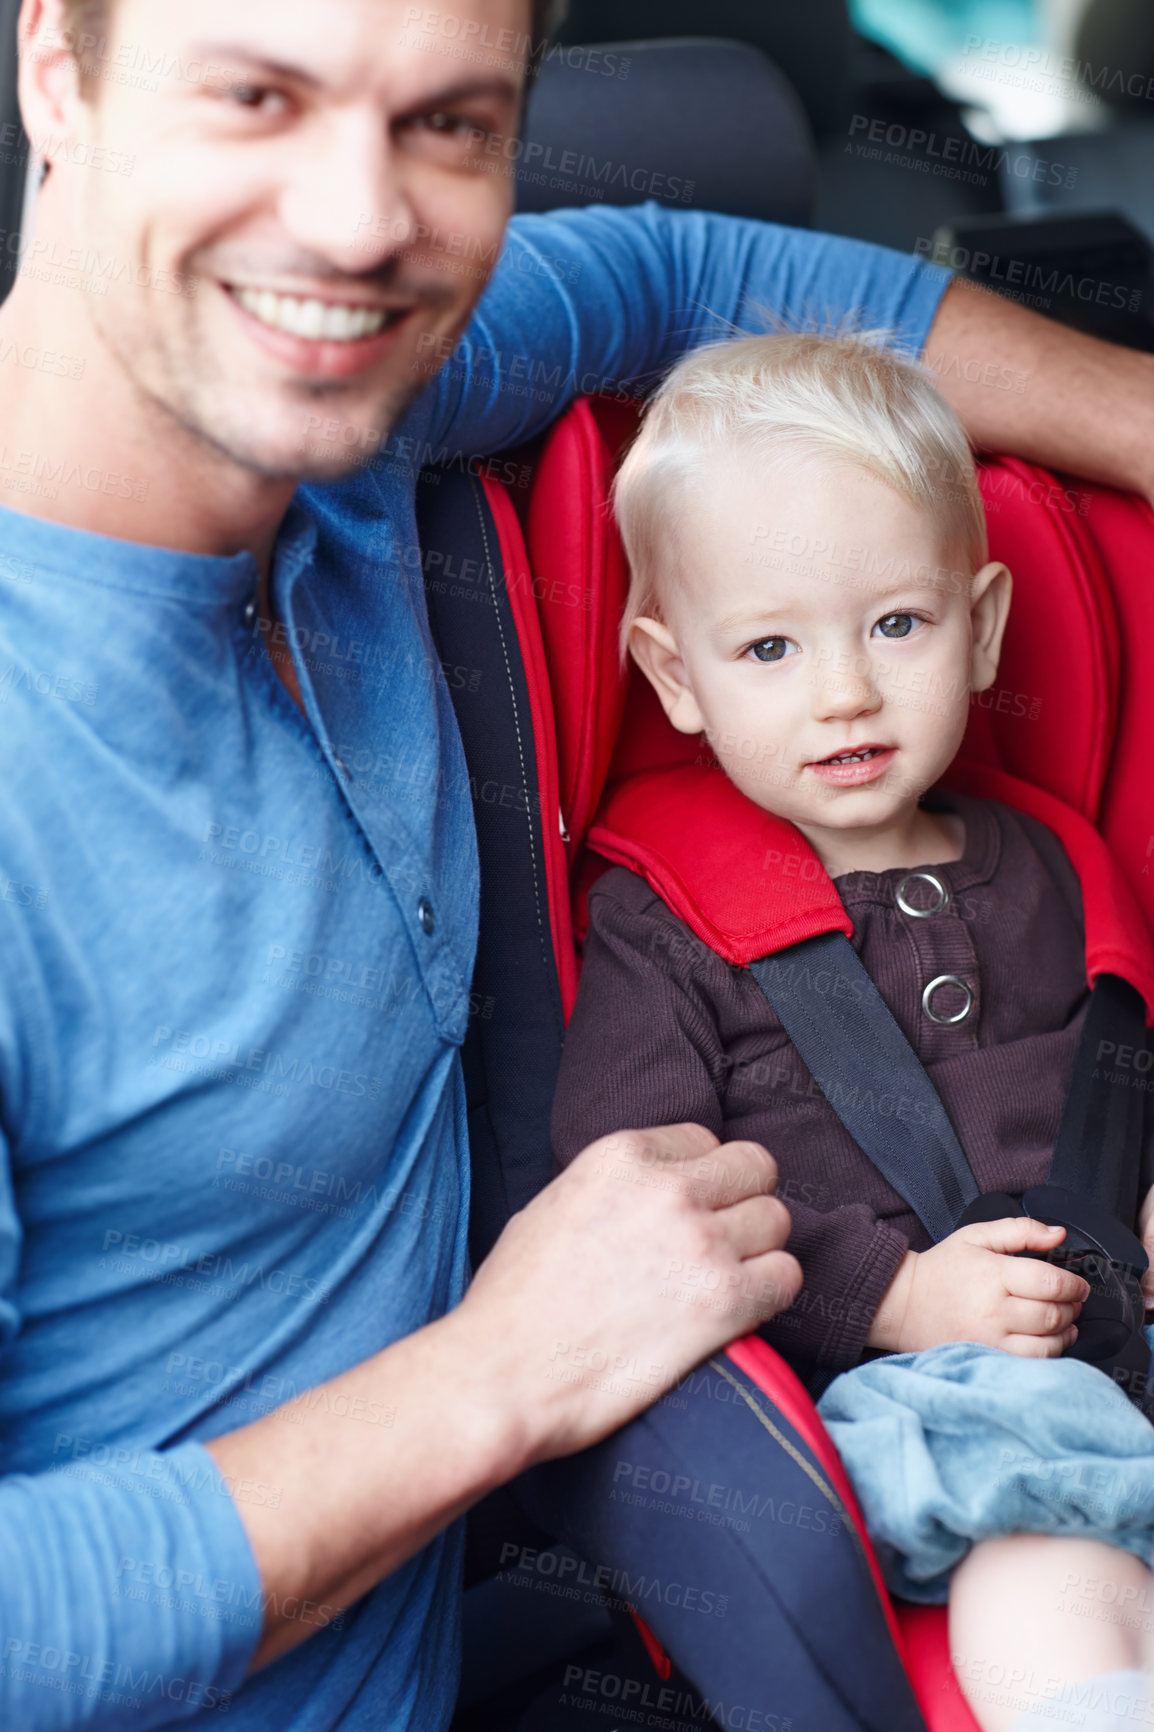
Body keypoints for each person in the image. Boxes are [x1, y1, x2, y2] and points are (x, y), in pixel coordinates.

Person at [4, 0, 1154, 1723]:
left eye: (449, 126)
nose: (356, 218)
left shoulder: (367, 398)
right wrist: (501, 1375)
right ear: (52, 71)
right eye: (258, 95)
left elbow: (694, 278)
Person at [549, 327, 1154, 1732]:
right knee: (1034, 1550)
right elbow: (631, 1187)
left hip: (1107, 1341)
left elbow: (1120, 1080)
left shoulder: (1059, 866)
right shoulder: (663, 918)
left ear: (982, 624)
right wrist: (886, 1293)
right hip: (905, 1390)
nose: (843, 690)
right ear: (673, 671)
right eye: (767, 645)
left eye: (897, 624)